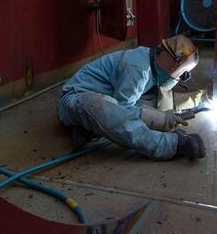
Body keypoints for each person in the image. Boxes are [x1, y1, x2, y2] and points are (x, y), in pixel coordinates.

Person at [57, 35, 206, 160]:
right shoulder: (138, 69)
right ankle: (172, 144)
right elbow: (123, 110)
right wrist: (163, 119)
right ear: (173, 63)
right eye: (182, 74)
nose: (180, 78)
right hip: (77, 98)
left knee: (154, 102)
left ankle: (87, 129)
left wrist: (198, 98)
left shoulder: (151, 63)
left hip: (109, 98)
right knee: (109, 110)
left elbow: (159, 98)